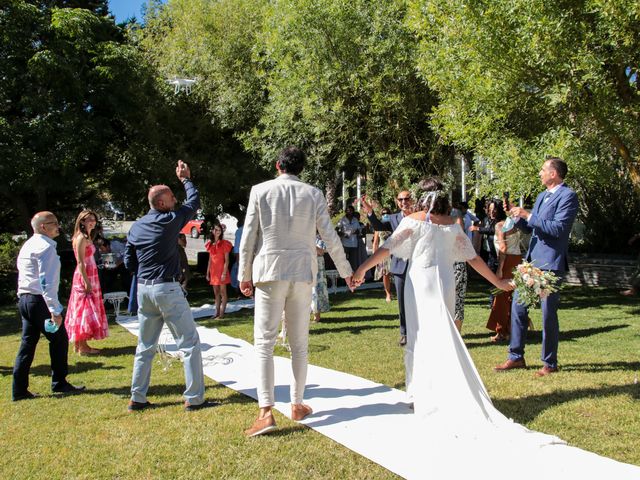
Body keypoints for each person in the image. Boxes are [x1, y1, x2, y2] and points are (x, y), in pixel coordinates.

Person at [351, 179, 543, 444]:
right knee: (442, 331)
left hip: (421, 281)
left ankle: (424, 394)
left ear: (422, 197)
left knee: (420, 334)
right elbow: (473, 258)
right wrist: (497, 282)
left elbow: (388, 247)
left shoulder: (415, 220)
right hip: (445, 280)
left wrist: (362, 269)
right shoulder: (453, 223)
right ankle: (436, 390)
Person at [239, 146, 353, 437]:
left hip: (269, 271)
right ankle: (297, 403)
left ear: (278, 165)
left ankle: (266, 412)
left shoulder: (260, 190)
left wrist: (244, 274)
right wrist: (347, 272)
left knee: (264, 342)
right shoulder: (313, 193)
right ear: (300, 168)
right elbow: (329, 235)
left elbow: (249, 235)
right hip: (302, 272)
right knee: (299, 343)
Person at [124, 160, 218, 412]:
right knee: (189, 343)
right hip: (166, 288)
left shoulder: (137, 226)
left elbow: (128, 260)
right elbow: (194, 202)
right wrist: (185, 179)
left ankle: (137, 397)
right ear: (162, 203)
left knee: (145, 347)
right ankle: (195, 398)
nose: (176, 200)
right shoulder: (169, 220)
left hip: (144, 289)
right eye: (172, 197)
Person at [495, 157, 579, 377]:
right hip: (531, 263)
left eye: (543, 170)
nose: (540, 173)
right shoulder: (542, 196)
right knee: (518, 308)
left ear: (554, 174)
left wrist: (528, 214)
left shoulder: (568, 196)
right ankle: (516, 357)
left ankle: (549, 363)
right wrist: (516, 214)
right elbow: (532, 227)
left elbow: (558, 229)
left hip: (550, 264)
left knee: (547, 314)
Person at [12, 211, 85, 401]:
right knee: (60, 339)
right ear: (43, 227)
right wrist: (54, 310)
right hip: (38, 300)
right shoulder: (46, 248)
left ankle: (18, 389)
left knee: (27, 344)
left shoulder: (28, 245)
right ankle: (59, 382)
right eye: (54, 223)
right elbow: (47, 282)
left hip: (25, 299)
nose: (58, 226)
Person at [361, 190, 415, 346]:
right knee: (403, 303)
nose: (404, 202)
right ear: (397, 201)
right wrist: (370, 212)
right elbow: (378, 225)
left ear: (411, 200)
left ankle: (420, 331)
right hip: (399, 267)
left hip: (418, 265)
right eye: (401, 199)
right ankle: (404, 333)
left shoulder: (420, 216)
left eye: (407, 199)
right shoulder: (392, 218)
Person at [65, 210, 109, 355]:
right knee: (84, 309)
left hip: (91, 273)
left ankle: (80, 345)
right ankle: (82, 347)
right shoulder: (81, 238)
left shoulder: (88, 236)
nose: (92, 222)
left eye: (93, 219)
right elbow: (80, 262)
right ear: (82, 221)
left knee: (85, 308)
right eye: (88, 219)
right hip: (85, 274)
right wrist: (86, 281)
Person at [485, 213, 523, 342]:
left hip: (507, 261)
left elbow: (503, 247)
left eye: (493, 210)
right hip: (517, 260)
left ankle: (502, 331)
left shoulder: (500, 225)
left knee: (501, 296)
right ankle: (513, 329)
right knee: (513, 296)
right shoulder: (514, 224)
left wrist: (500, 269)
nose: (491, 213)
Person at [205, 224, 233, 319]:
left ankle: (221, 314)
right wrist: (207, 272)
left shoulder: (224, 243)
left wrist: (224, 273)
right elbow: (210, 260)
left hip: (221, 271)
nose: (218, 231)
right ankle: (216, 312)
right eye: (216, 229)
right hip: (213, 271)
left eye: (219, 230)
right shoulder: (210, 244)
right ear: (212, 231)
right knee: (216, 293)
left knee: (223, 292)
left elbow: (227, 260)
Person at [372, 207, 393, 303]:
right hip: (382, 252)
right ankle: (388, 294)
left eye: (387, 213)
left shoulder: (394, 225)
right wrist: (374, 257)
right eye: (383, 213)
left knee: (397, 273)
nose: (385, 214)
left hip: (394, 251)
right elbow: (375, 242)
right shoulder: (378, 227)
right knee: (385, 274)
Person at [336, 205, 362, 272]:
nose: (349, 211)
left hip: (354, 243)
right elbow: (336, 230)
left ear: (353, 211)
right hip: (345, 243)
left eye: (351, 210)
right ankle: (345, 275)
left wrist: (357, 231)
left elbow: (360, 230)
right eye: (347, 210)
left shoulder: (355, 220)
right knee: (345, 260)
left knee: (353, 261)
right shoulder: (342, 220)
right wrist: (343, 234)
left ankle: (353, 274)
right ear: (345, 211)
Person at [311, 235, 330, 322]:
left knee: (317, 289)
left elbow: (321, 252)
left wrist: (309, 244)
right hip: (306, 264)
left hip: (318, 266)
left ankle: (317, 316)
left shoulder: (320, 237)